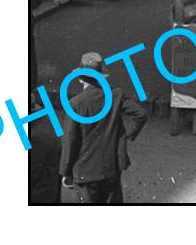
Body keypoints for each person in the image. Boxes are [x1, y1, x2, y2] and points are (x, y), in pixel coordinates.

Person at [60, 52, 149, 204]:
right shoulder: (116, 95)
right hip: (111, 167)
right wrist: (126, 134)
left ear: (80, 79)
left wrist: (65, 171)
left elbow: (71, 139)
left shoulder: (75, 104)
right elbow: (141, 114)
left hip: (85, 172)